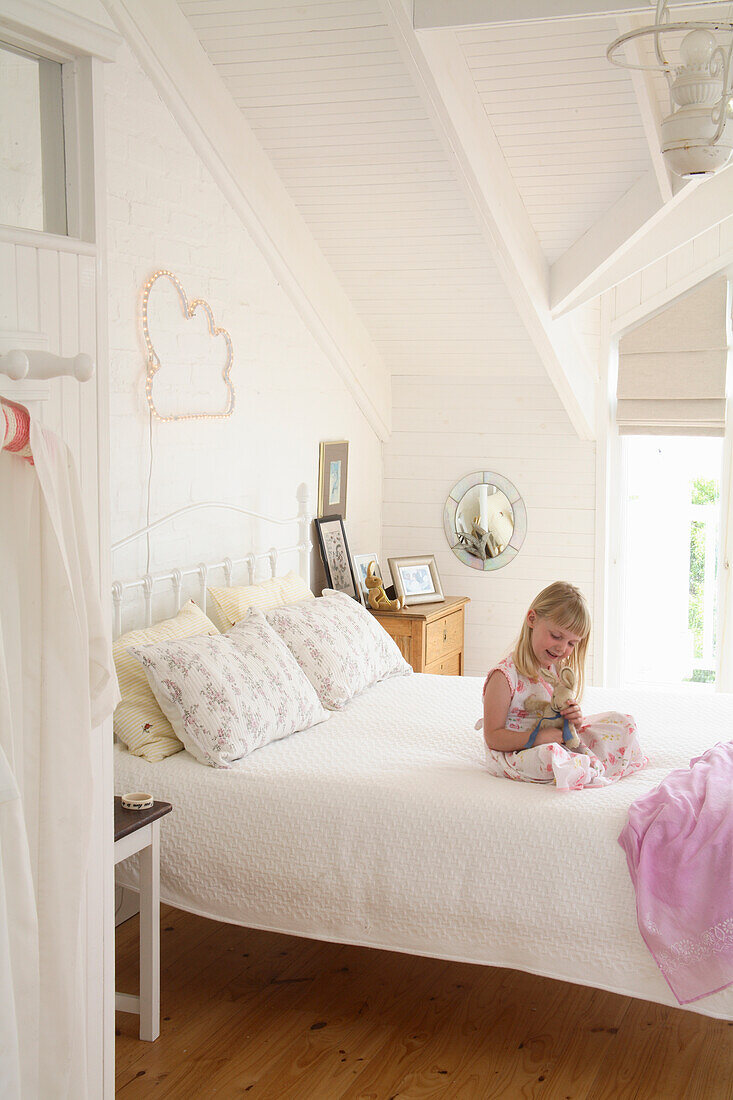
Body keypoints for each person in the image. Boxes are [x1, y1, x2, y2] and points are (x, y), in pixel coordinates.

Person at [479, 581, 646, 790]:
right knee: (551, 755)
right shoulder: (504, 677)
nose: (562, 648)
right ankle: (577, 767)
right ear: (532, 619)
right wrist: (537, 738)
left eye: (571, 643)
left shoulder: (555, 669)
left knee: (623, 723)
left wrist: (573, 720)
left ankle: (579, 765)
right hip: (518, 752)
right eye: (556, 636)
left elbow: (557, 719)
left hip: (553, 740)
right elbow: (493, 737)